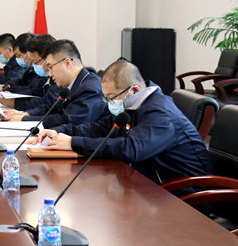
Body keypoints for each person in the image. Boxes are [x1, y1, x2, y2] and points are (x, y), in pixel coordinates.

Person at [33, 60, 212, 189]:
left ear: (134, 90)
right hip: (151, 184)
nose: (109, 103)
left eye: (111, 97)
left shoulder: (161, 113)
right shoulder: (135, 104)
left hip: (186, 194)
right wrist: (60, 131)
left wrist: (73, 143)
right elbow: (102, 127)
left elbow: (131, 148)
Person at [4, 39, 106, 128]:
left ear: (67, 63)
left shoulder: (90, 89)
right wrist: (25, 114)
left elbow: (68, 120)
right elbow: (53, 108)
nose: (50, 74)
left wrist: (24, 119)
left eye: (51, 67)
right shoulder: (73, 84)